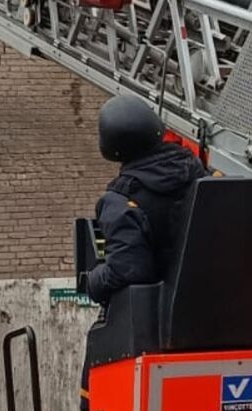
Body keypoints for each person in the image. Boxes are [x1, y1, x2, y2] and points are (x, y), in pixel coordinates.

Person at [83, 95, 208, 307]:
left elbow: (127, 269)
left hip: (167, 320)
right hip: (224, 309)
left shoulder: (120, 201)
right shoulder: (203, 176)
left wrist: (92, 282)